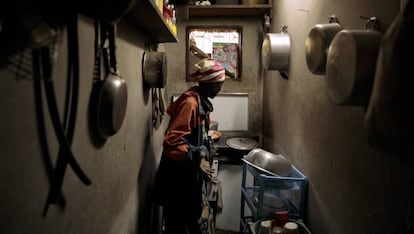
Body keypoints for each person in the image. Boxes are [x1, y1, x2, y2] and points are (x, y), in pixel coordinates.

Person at [153, 58, 225, 234]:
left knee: (190, 221)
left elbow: (195, 137)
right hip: (177, 180)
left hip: (187, 177)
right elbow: (172, 142)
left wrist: (206, 149)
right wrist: (197, 155)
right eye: (218, 84)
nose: (220, 88)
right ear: (209, 84)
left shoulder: (200, 102)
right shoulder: (190, 104)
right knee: (177, 226)